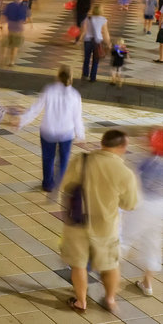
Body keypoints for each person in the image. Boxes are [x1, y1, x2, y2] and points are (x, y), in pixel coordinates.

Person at [60, 130, 139, 316]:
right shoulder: (124, 173)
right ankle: (110, 299)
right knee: (110, 264)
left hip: (77, 223)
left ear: (102, 143)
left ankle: (81, 301)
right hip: (106, 227)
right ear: (122, 147)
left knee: (78, 264)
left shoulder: (82, 160)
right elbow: (130, 204)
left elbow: (66, 185)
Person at [16, 66, 85, 192]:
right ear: (71, 78)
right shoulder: (75, 95)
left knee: (48, 157)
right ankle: (59, 181)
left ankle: (48, 183)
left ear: (58, 76)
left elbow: (36, 109)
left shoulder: (49, 90)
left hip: (48, 130)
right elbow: (77, 117)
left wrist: (22, 121)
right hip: (66, 132)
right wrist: (80, 133)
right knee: (63, 159)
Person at [120, 144, 163, 297]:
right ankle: (147, 284)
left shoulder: (150, 162)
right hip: (160, 208)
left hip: (143, 205)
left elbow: (135, 184)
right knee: (152, 244)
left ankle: (108, 275)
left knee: (124, 239)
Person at [81, 4, 110, 82]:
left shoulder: (88, 18)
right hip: (97, 42)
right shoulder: (103, 20)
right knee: (95, 60)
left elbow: (84, 31)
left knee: (86, 59)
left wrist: (79, 40)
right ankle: (93, 77)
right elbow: (105, 33)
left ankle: (85, 75)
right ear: (101, 11)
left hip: (87, 41)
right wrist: (108, 43)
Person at [1, 0, 29, 67]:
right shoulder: (24, 7)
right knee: (15, 47)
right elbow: (25, 19)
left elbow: (4, 16)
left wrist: (2, 25)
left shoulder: (9, 5)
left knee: (6, 45)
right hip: (19, 30)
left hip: (9, 29)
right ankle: (12, 62)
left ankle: (3, 60)